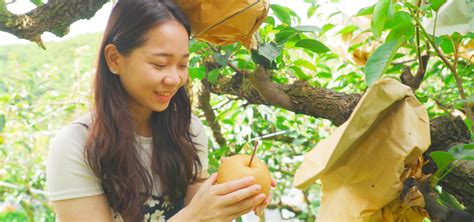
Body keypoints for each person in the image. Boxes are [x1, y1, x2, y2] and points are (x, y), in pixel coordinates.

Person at [46, 0, 274, 221]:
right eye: (159, 64)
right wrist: (194, 217)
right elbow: (195, 216)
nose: (175, 79)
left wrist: (231, 200)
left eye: (183, 65)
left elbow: (204, 216)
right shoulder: (76, 146)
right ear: (114, 59)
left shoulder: (188, 130)